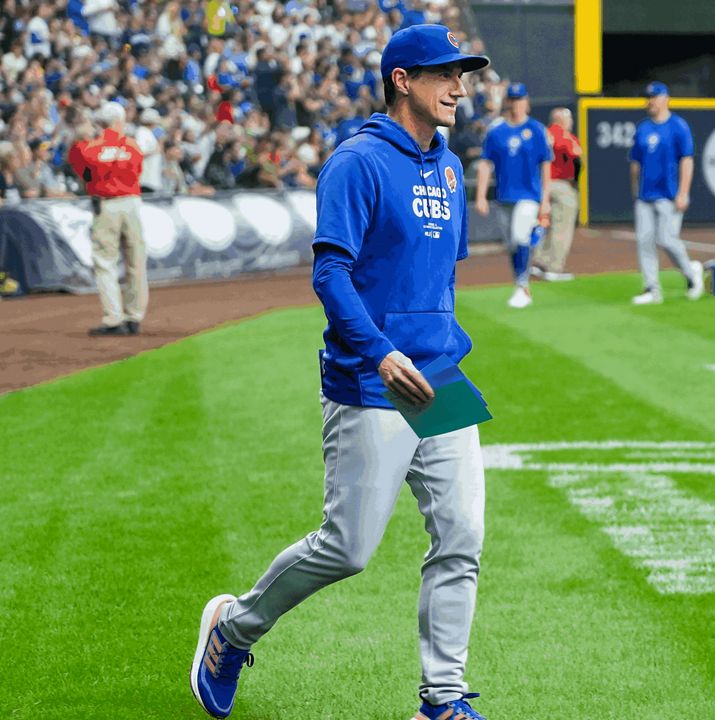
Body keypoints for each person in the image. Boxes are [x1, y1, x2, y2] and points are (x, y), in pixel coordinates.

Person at [189, 25, 492, 720]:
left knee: (463, 538)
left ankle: (442, 700)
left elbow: (441, 271)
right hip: (371, 380)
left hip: (440, 379)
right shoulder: (356, 161)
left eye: (464, 74)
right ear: (402, 80)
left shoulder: (447, 165)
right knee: (348, 548)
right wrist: (382, 351)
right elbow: (331, 274)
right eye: (444, 74)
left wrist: (436, 343)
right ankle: (232, 630)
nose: (459, 88)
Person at [69, 101, 148, 336]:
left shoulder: (88, 147)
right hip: (132, 202)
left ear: (100, 122)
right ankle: (134, 317)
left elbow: (79, 168)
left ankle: (114, 318)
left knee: (105, 262)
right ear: (119, 121)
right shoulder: (133, 146)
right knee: (136, 260)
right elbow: (138, 171)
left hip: (107, 204)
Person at [474, 81, 550, 309]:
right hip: (505, 195)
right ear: (508, 102)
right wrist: (480, 195)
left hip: (529, 195)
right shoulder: (497, 132)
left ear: (526, 102)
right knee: (512, 245)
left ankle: (522, 286)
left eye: (520, 99)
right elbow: (486, 164)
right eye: (513, 99)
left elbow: (545, 165)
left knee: (519, 237)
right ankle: (521, 282)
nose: (517, 104)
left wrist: (545, 199)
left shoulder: (536, 130)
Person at [629, 81, 702, 305]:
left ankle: (691, 274)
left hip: (669, 194)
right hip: (645, 195)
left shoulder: (678, 126)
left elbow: (687, 161)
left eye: (654, 97)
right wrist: (635, 192)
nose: (650, 101)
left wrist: (683, 192)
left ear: (665, 99)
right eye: (648, 97)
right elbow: (635, 163)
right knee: (645, 241)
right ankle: (652, 288)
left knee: (668, 239)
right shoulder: (642, 128)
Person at [531, 106, 580, 282]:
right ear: (562, 120)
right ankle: (554, 267)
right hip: (560, 184)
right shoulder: (565, 136)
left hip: (542, 184)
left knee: (545, 224)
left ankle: (539, 262)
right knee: (562, 226)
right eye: (569, 119)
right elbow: (576, 156)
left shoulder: (542, 133)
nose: (571, 122)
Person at [136, 108, 164, 193]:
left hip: (151, 178)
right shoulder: (142, 132)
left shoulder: (148, 132)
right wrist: (155, 151)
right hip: (145, 178)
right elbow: (140, 152)